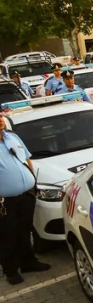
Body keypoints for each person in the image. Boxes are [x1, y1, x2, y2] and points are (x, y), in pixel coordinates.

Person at [0, 116, 51, 285]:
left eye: (0, 116)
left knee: (25, 230)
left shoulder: (12, 137)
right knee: (7, 235)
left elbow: (26, 158)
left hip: (26, 194)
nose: (0, 120)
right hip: (4, 201)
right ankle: (11, 270)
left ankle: (28, 263)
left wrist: (32, 182)